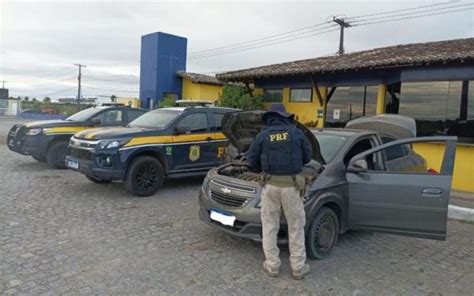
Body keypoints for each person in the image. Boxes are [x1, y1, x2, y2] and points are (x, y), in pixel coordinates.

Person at [246, 104, 313, 280]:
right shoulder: (296, 133)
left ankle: (272, 266)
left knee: (269, 226)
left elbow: (251, 161)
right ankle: (298, 268)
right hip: (291, 187)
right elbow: (308, 156)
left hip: (270, 186)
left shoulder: (263, 135)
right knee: (296, 226)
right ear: (285, 116)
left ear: (270, 118)